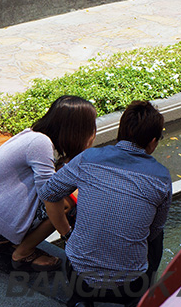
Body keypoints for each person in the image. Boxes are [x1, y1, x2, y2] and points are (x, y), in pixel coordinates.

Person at [40, 100, 172, 307]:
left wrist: (67, 234)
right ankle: (143, 298)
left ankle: (81, 300)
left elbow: (49, 193)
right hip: (129, 285)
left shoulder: (88, 157)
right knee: (158, 233)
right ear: (153, 141)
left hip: (79, 277)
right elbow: (154, 231)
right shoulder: (162, 177)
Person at [0, 95, 97, 272]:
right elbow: (51, 195)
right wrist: (68, 234)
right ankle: (23, 252)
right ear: (77, 130)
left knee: (67, 190)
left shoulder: (35, 136)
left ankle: (12, 242)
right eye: (91, 127)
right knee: (67, 201)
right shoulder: (41, 144)